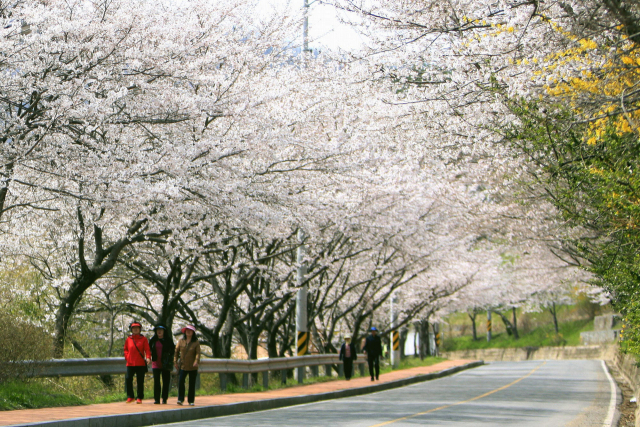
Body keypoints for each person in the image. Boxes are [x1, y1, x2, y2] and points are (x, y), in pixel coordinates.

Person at [124, 321, 151, 404]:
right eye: (134, 328)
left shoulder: (143, 339)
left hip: (140, 363)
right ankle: (130, 396)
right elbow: (125, 349)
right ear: (131, 330)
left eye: (137, 328)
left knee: (140, 380)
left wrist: (148, 357)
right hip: (130, 363)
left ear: (140, 329)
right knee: (128, 379)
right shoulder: (129, 339)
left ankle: (139, 397)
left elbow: (147, 350)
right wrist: (127, 357)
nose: (135, 330)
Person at [174, 325, 201, 406]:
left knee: (192, 383)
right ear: (184, 332)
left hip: (193, 366)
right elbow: (176, 351)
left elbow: (198, 353)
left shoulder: (196, 342)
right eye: (187, 330)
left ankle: (191, 400)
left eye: (190, 330)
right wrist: (175, 361)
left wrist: (196, 361)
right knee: (181, 381)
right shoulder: (181, 341)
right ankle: (180, 399)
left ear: (193, 332)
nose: (188, 332)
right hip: (183, 365)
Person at [149, 324, 175, 404]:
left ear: (164, 331)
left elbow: (173, 350)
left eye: (161, 330)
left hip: (165, 363)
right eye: (157, 330)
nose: (159, 332)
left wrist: (170, 359)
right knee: (156, 381)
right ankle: (156, 399)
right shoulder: (153, 340)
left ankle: (164, 398)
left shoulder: (168, 340)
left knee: (165, 381)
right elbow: (148, 349)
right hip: (156, 363)